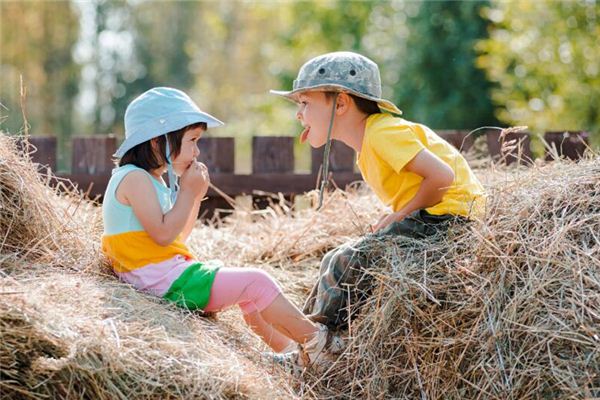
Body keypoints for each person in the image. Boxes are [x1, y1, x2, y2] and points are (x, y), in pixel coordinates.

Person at [101, 87, 340, 370]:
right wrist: (188, 194)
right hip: (161, 283)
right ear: (157, 142)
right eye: (192, 140)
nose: (197, 151)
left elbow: (177, 237)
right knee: (257, 282)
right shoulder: (134, 179)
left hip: (162, 277)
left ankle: (294, 356)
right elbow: (164, 236)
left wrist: (195, 196)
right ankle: (320, 345)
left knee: (250, 299)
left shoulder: (151, 180)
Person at [271, 51, 485, 329]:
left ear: (341, 104)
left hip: (450, 218)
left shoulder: (381, 133)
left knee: (347, 260)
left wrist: (399, 216)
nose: (299, 114)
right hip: (436, 215)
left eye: (304, 102)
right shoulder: (369, 143)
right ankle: (301, 338)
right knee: (332, 259)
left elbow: (443, 177)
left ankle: (321, 345)